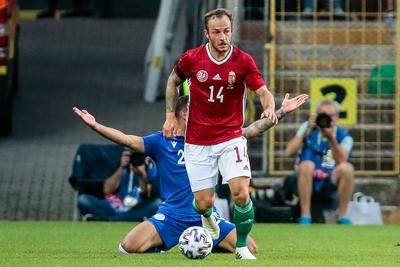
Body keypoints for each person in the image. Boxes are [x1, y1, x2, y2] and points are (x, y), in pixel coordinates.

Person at [72, 93, 308, 256]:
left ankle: (206, 243)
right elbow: (127, 139)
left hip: (208, 218)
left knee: (251, 248)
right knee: (128, 247)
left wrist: (281, 112)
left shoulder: (214, 138)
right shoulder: (161, 141)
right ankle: (171, 242)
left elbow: (250, 130)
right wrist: (96, 126)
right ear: (184, 114)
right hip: (172, 215)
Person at [162, 8, 278, 260]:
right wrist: (171, 115)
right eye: (217, 32)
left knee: (241, 192)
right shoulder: (192, 59)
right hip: (197, 141)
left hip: (231, 137)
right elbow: (172, 81)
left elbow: (262, 91)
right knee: (204, 202)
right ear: (207, 34)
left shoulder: (243, 60)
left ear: (231, 31)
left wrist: (268, 106)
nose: (223, 37)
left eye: (226, 31)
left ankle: (242, 246)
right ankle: (207, 217)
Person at [285, 99, 354, 225]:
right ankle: (305, 216)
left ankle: (342, 216)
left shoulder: (344, 136)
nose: (326, 119)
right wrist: (304, 133)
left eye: (330, 116)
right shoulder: (307, 128)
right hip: (304, 177)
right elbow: (288, 152)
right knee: (307, 164)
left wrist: (331, 138)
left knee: (347, 168)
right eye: (323, 115)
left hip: (328, 181)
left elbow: (341, 161)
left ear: (337, 117)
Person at [77, 150, 161, 222]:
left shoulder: (152, 169)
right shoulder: (123, 166)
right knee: (83, 199)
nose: (136, 160)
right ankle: (122, 218)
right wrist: (121, 167)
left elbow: (147, 195)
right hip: (116, 207)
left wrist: (142, 174)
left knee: (157, 204)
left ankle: (108, 219)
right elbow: (107, 190)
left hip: (138, 208)